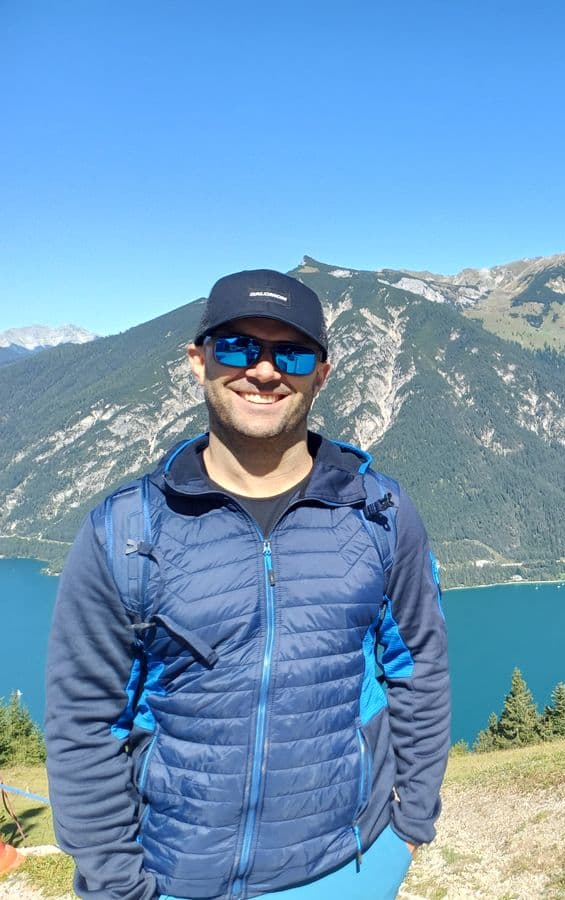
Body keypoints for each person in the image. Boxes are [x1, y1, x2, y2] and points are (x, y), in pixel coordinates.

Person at [44, 270, 450, 899]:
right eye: (236, 347)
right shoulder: (127, 530)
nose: (264, 371)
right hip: (173, 878)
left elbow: (418, 665)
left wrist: (411, 821)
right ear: (197, 359)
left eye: (290, 352)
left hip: (351, 868)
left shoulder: (379, 512)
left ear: (322, 372)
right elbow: (85, 724)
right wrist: (115, 883)